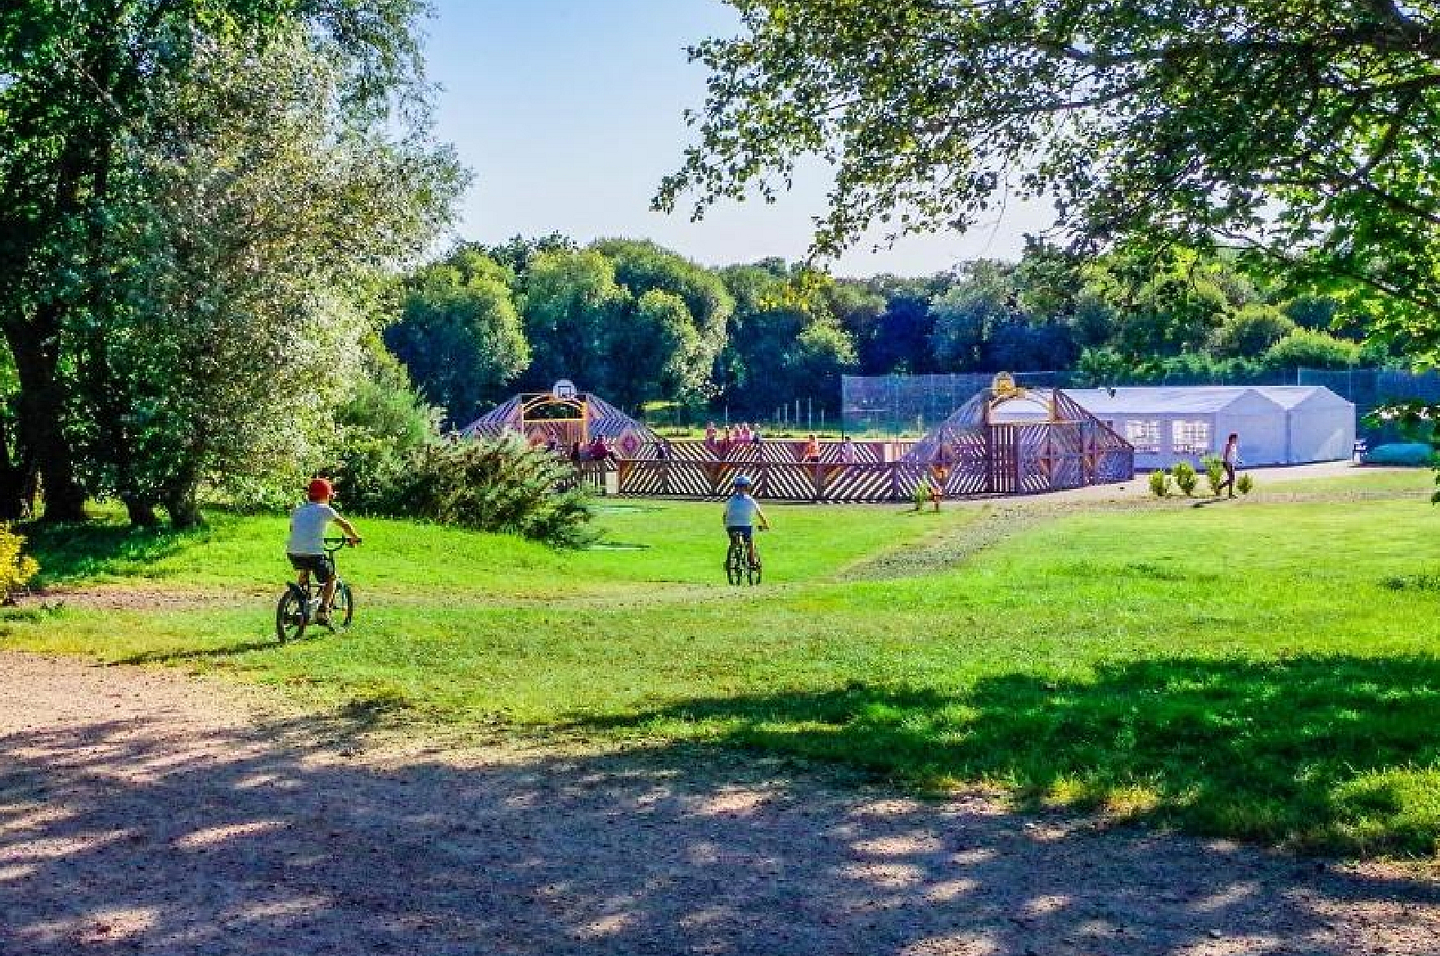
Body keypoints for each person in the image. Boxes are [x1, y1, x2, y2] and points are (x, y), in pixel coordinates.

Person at [286, 478, 360, 626]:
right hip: (314, 553)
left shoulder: (298, 510)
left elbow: (293, 530)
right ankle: (323, 610)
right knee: (331, 578)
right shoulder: (325, 509)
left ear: (308, 495)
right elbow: (344, 524)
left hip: (293, 552)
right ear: (327, 496)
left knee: (305, 568)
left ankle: (299, 597)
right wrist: (354, 537)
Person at [723, 475, 769, 569]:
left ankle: (729, 561)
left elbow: (725, 515)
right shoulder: (750, 500)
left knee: (733, 541)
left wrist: (726, 525)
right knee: (749, 541)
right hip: (745, 526)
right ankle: (752, 561)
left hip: (731, 526)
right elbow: (760, 515)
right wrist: (765, 525)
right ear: (748, 487)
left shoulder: (731, 500)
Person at [1218, 432, 1241, 497]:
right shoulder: (1228, 445)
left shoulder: (1234, 446)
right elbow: (1225, 455)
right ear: (1232, 438)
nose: (1236, 439)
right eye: (1235, 438)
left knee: (1232, 479)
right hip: (1227, 463)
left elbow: (1234, 455)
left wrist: (1238, 460)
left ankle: (1229, 494)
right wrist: (1227, 463)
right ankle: (1220, 487)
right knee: (1231, 479)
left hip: (1232, 463)